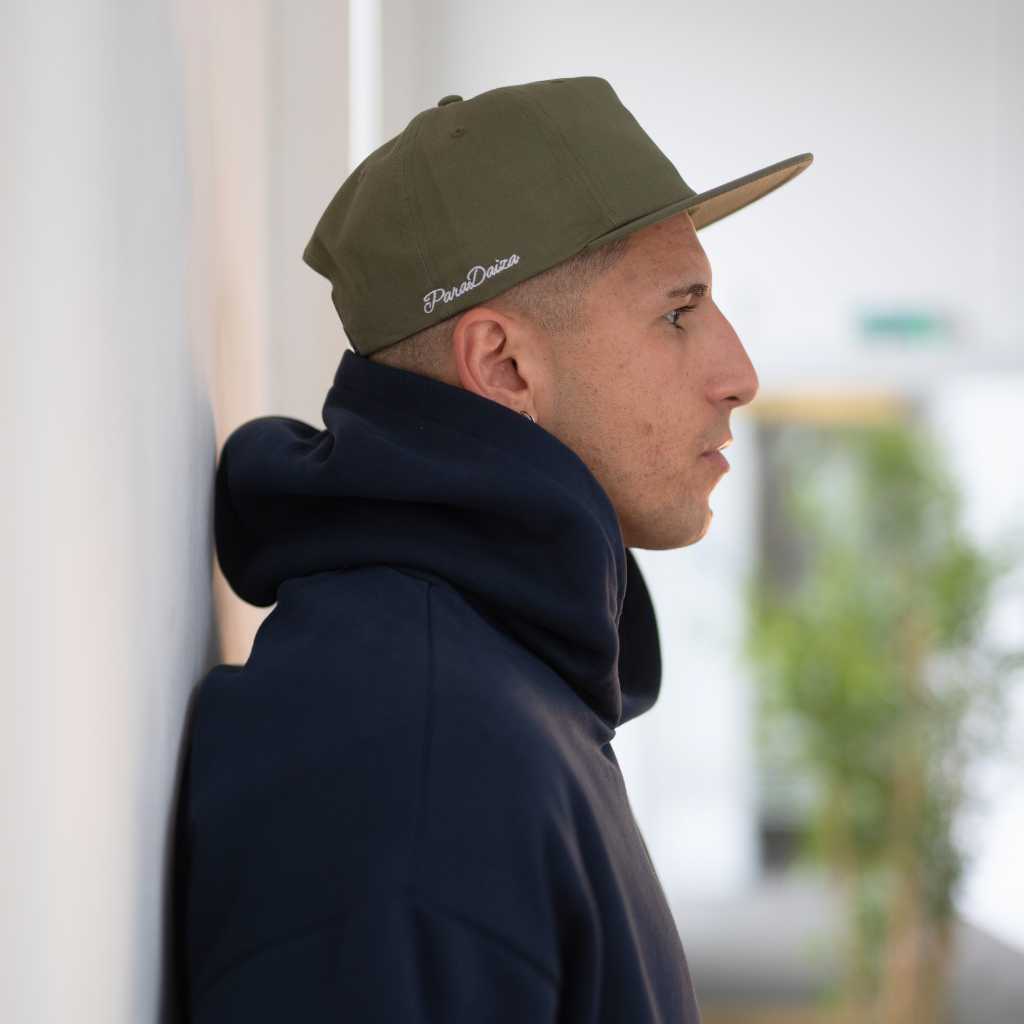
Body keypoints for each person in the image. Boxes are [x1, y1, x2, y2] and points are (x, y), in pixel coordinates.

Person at [172, 75, 812, 1023]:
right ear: (504, 365)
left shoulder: (495, 687)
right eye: (678, 312)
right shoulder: (415, 764)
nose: (740, 374)